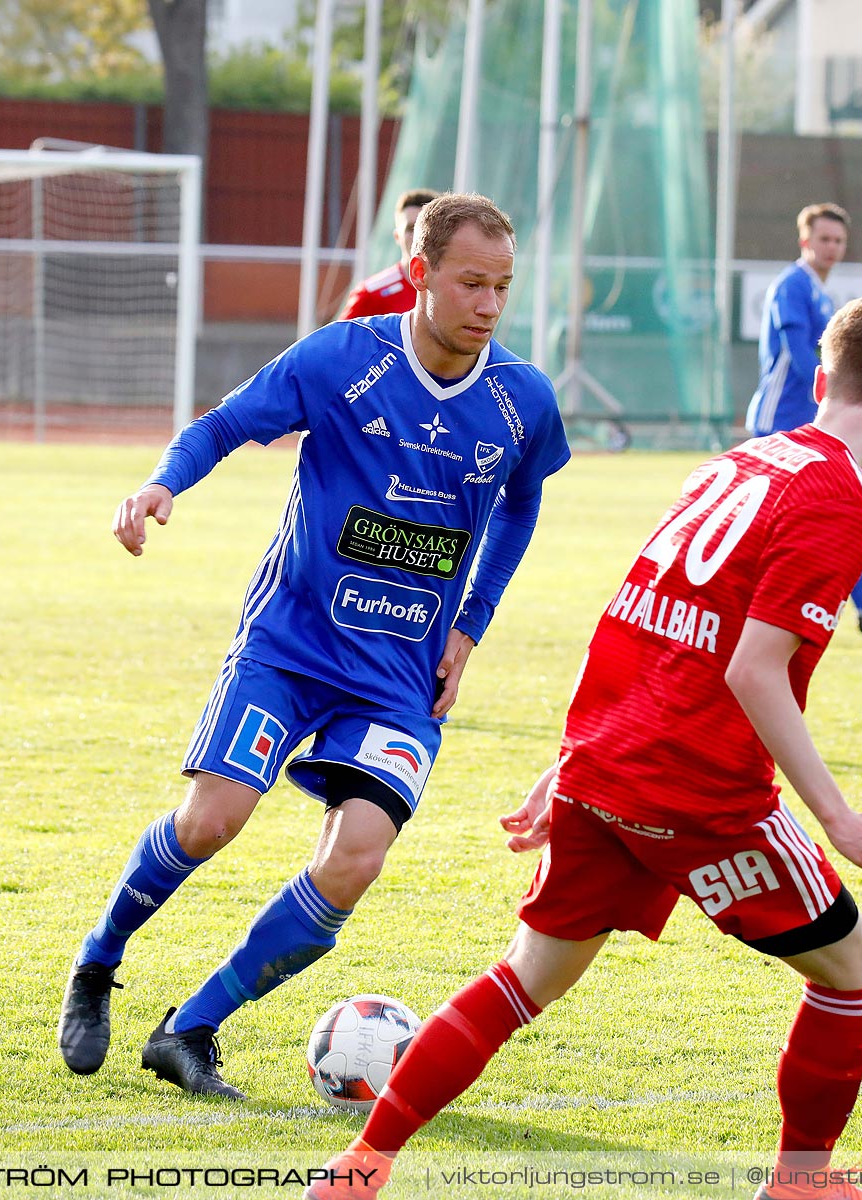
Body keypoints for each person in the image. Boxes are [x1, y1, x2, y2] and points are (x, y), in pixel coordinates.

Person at [311, 294, 862, 1200]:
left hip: (608, 764)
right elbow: (753, 672)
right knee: (854, 968)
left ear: (818, 377)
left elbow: (637, 615)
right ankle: (800, 1186)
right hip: (697, 790)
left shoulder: (738, 462)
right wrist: (839, 819)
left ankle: (358, 1168)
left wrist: (569, 761)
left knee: (527, 979)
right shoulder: (841, 500)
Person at [58, 193, 571, 1100]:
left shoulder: (521, 398)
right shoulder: (344, 358)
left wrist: (470, 622)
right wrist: (158, 485)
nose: (490, 305)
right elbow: (224, 422)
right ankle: (98, 963)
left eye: (502, 286)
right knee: (212, 820)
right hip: (291, 646)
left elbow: (523, 504)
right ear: (420, 274)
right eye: (471, 283)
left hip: (403, 675)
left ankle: (190, 1028)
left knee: (357, 855)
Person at [746, 204, 862, 635]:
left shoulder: (820, 291)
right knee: (775, 520)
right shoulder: (793, 285)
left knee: (837, 509)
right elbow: (798, 354)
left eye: (838, 240)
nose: (832, 247)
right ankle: (748, 603)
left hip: (811, 417)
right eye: (824, 239)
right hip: (781, 417)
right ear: (805, 241)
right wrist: (830, 397)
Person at [339, 189, 441, 320]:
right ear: (397, 236)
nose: (418, 236)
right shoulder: (371, 293)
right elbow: (340, 339)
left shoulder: (455, 290)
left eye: (426, 229)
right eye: (411, 229)